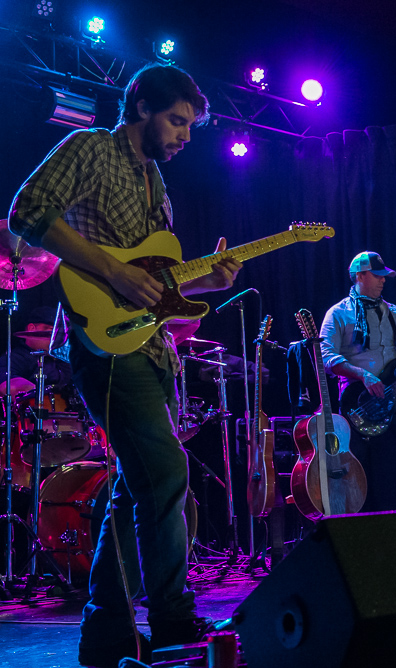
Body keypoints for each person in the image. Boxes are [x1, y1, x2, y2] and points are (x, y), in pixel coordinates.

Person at [7, 64, 242, 668]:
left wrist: (209, 282)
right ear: (141, 106)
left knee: (136, 487)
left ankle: (105, 633)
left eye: (191, 125)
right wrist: (110, 271)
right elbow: (27, 210)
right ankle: (170, 617)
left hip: (152, 348)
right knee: (165, 474)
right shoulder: (89, 148)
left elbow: (156, 284)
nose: (186, 135)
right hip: (100, 346)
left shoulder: (157, 182)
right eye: (177, 120)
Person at [320, 251, 396, 510]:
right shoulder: (337, 313)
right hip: (360, 403)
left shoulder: (393, 311)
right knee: (363, 468)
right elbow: (326, 356)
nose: (383, 281)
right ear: (359, 276)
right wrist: (362, 374)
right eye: (377, 275)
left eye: (385, 276)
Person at [0, 306, 73, 397]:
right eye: (52, 332)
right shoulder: (16, 357)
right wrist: (43, 395)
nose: (58, 339)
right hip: (38, 409)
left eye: (61, 335)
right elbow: (8, 385)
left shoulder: (66, 360)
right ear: (32, 329)